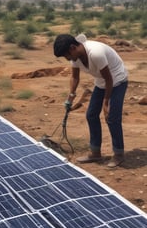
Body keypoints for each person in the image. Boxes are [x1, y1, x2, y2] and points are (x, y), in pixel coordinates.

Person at [53, 34, 128, 168]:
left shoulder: (96, 53)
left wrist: (106, 103)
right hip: (101, 82)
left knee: (111, 117)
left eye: (66, 55)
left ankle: (119, 154)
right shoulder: (75, 57)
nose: (67, 59)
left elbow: (109, 79)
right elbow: (75, 77)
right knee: (91, 114)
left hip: (117, 81)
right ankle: (95, 153)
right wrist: (71, 96)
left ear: (72, 47)